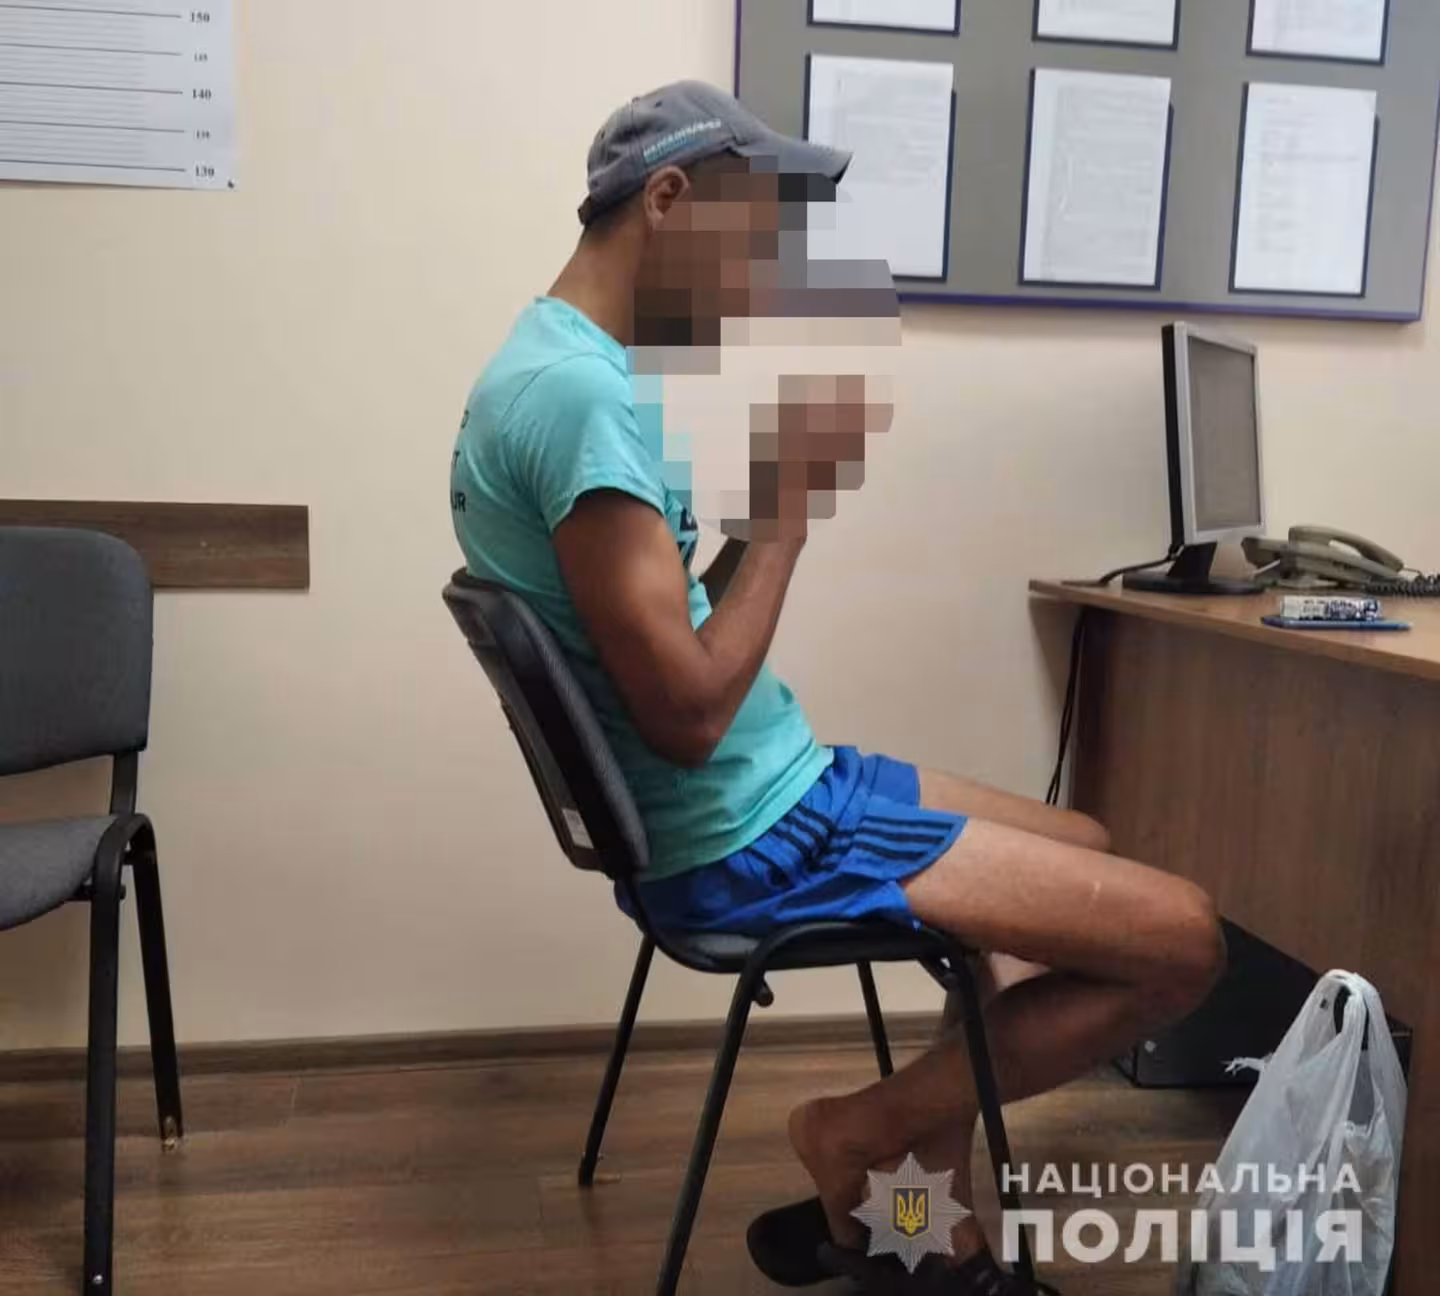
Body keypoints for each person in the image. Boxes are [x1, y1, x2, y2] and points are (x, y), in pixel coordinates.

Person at [450, 81, 1226, 1294]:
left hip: (777, 783)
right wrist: (792, 517)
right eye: (751, 239)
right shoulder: (578, 400)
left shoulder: (564, 367)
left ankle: (902, 1214)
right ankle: (856, 1138)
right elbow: (687, 715)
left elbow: (668, 630)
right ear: (668, 199)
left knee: (1078, 845)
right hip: (748, 831)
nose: (759, 279)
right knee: (1184, 944)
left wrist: (770, 497)